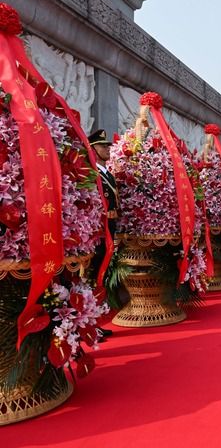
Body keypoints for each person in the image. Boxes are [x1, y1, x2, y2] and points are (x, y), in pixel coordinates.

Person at [89, 129, 118, 340]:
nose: (107, 149)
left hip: (110, 231)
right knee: (93, 277)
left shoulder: (107, 174)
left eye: (108, 146)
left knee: (102, 277)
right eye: (103, 146)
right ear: (93, 150)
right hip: (98, 234)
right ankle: (91, 326)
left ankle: (95, 323)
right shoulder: (92, 174)